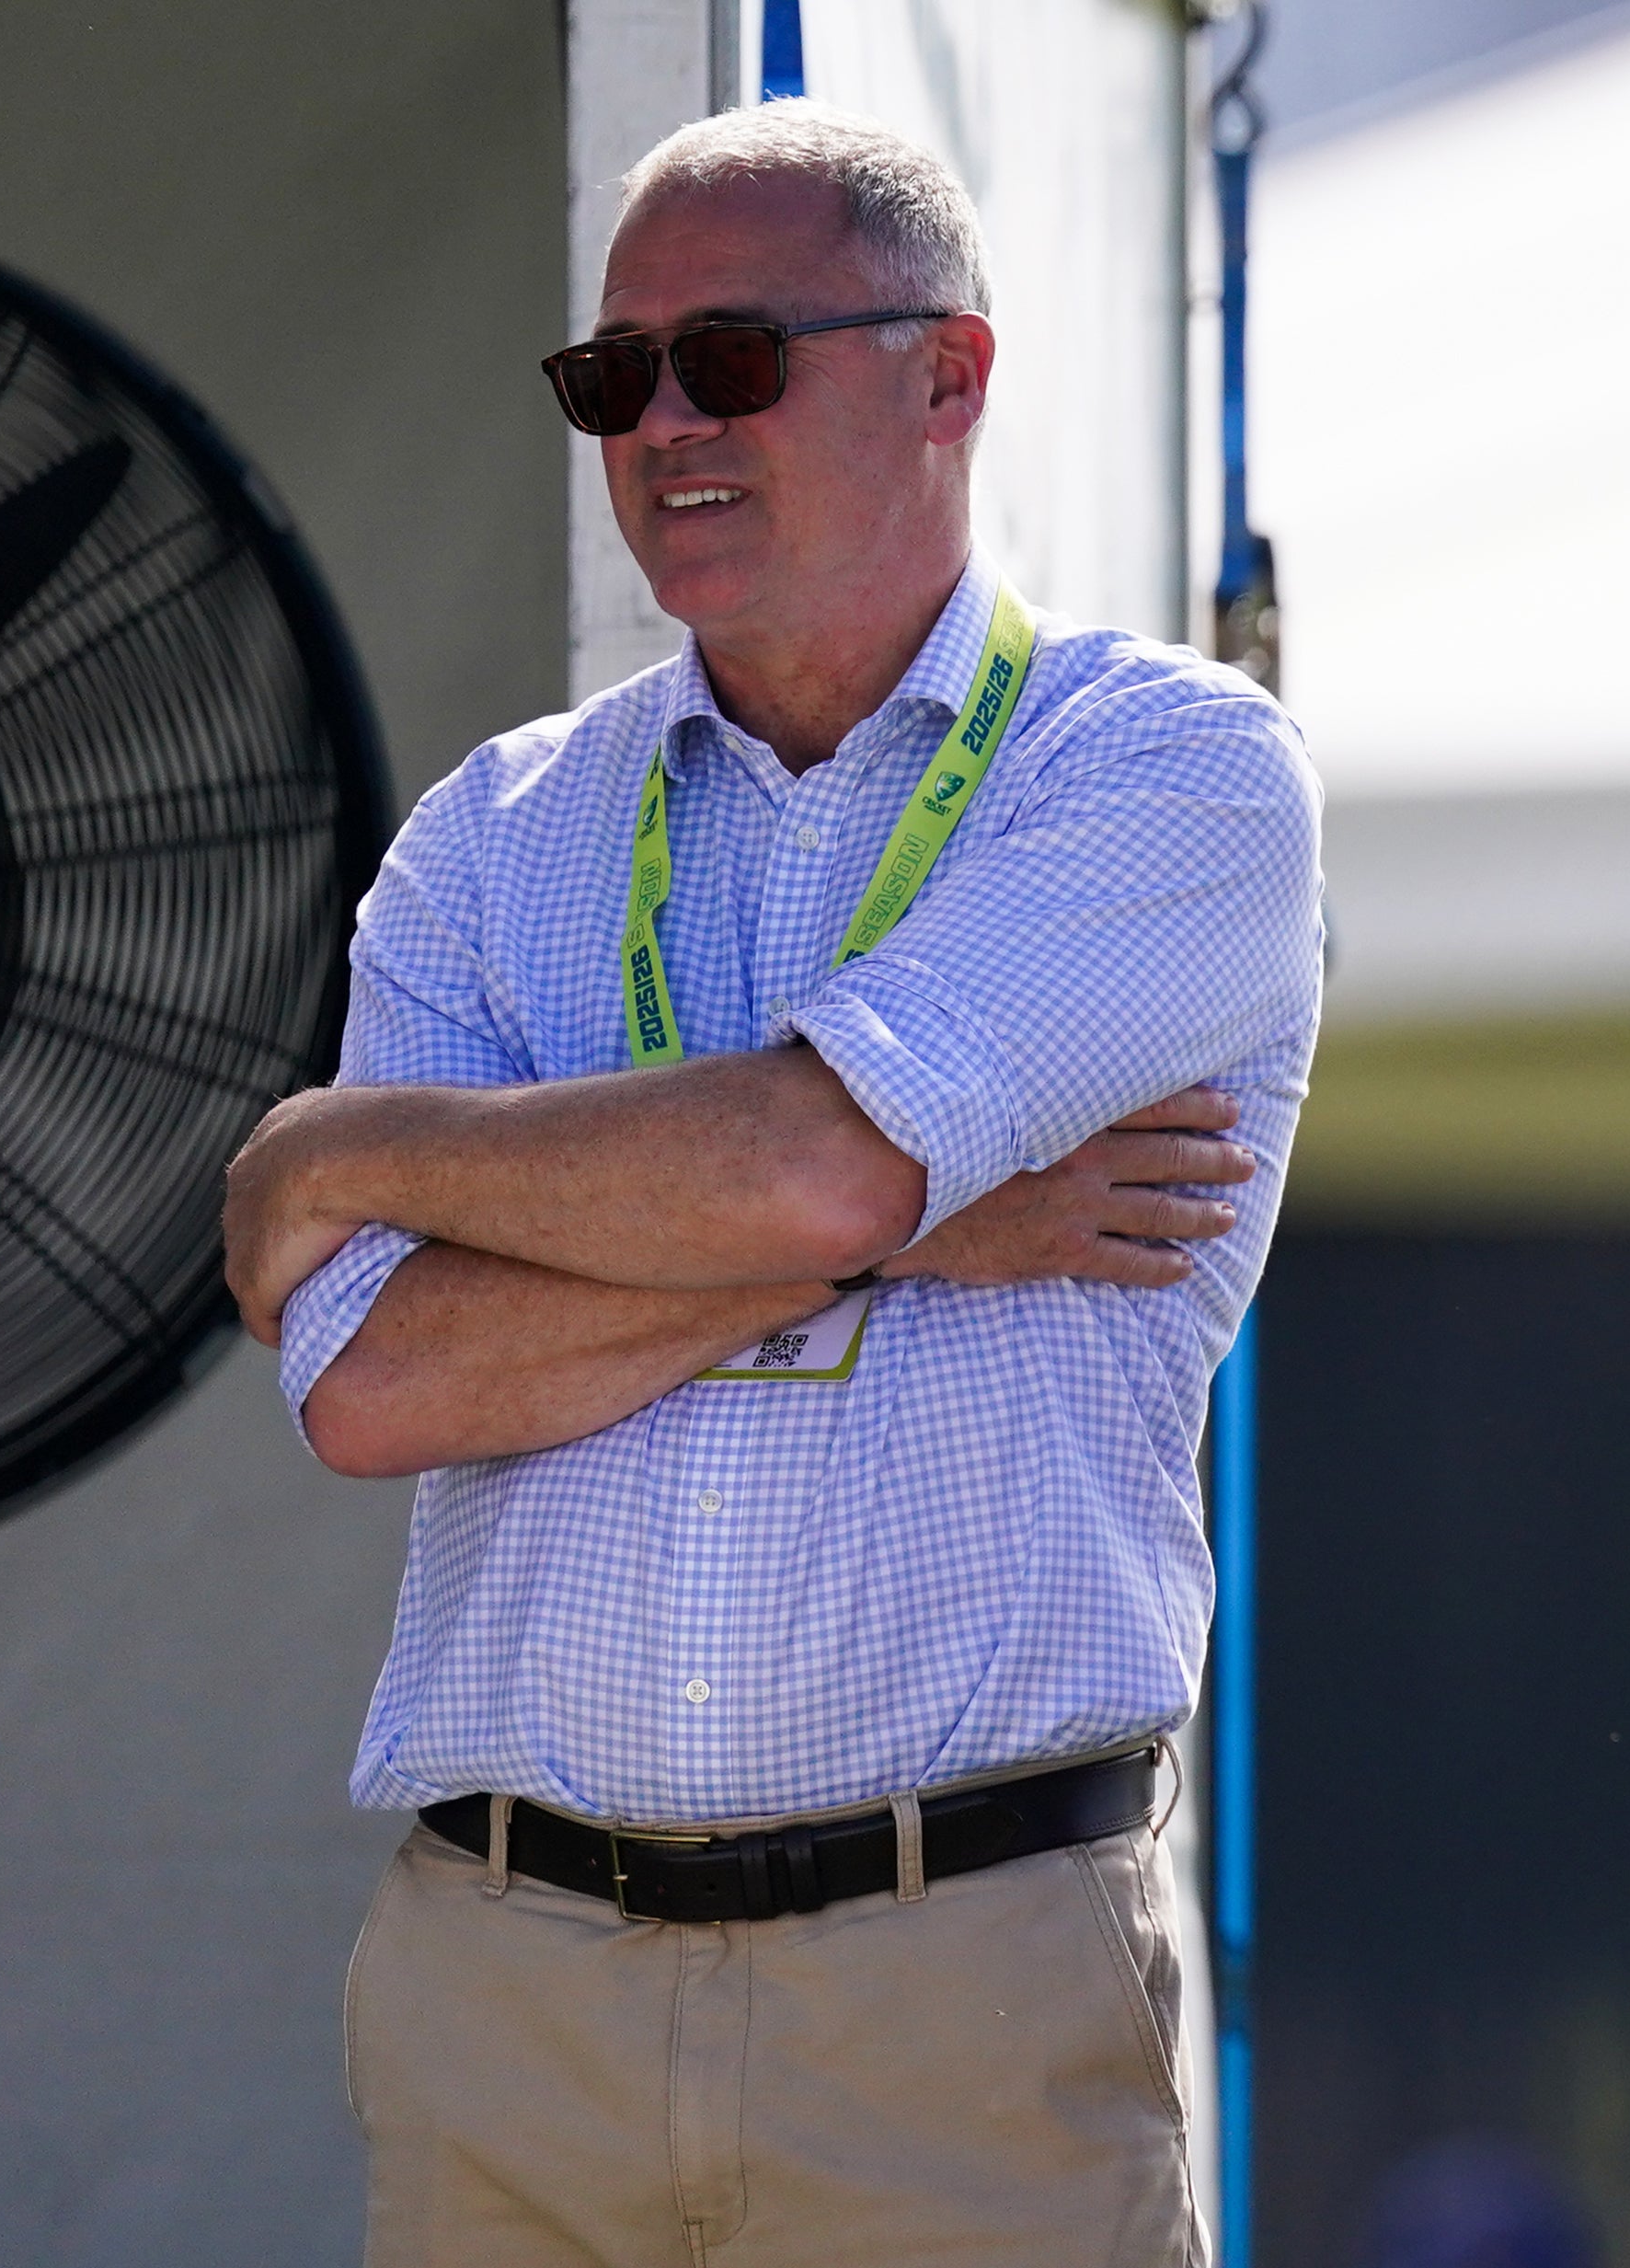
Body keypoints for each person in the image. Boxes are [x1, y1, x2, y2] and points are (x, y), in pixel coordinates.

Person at [219, 103, 1318, 2265]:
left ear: (952, 375)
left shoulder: (1167, 764)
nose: (659, 428)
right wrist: (932, 1225)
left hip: (959, 1997)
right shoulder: (495, 832)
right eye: (610, 376)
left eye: (728, 358)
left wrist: (340, 1147)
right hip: (512, 1995)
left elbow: (820, 1168)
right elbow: (375, 1387)